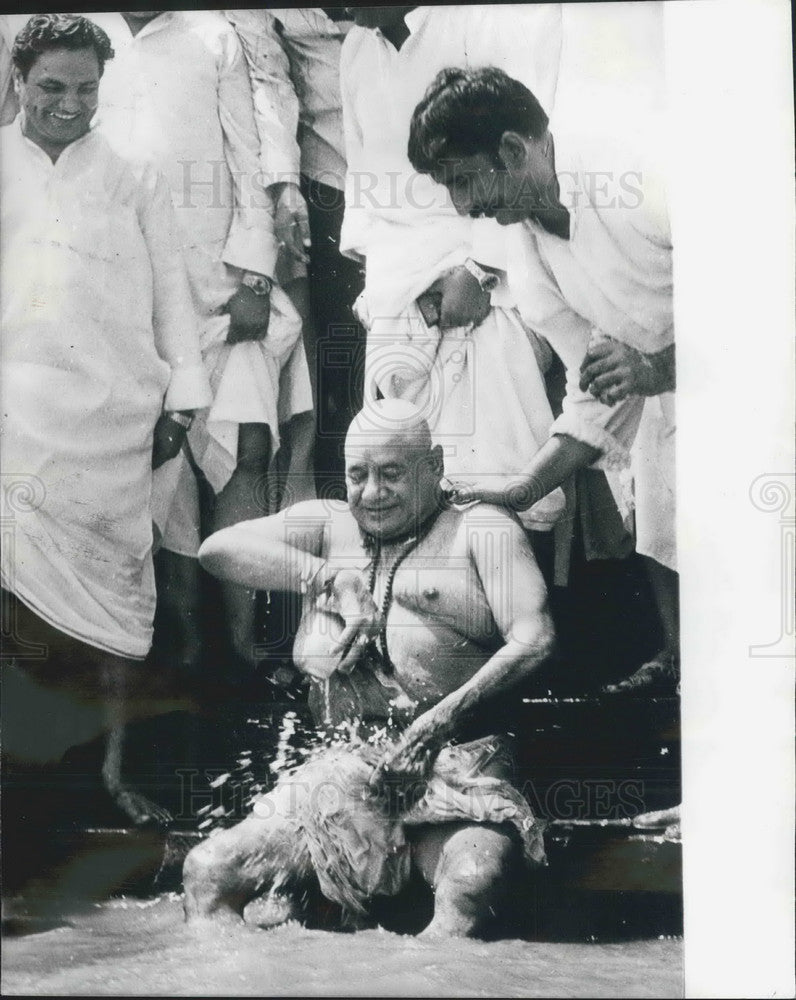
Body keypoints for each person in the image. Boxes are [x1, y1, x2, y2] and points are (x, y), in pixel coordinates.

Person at [182, 399, 554, 938]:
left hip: (458, 765)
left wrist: (435, 726)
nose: (372, 493)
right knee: (208, 871)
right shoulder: (329, 524)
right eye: (358, 475)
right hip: (346, 771)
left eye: (391, 474)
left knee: (473, 881)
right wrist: (326, 578)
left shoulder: (482, 529)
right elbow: (217, 549)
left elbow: (536, 638)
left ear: (435, 466)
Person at [0, 14, 212, 824]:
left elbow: (172, 299)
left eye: (86, 89)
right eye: (51, 87)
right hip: (14, 417)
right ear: (19, 78)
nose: (68, 104)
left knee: (120, 598)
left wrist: (183, 404)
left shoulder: (134, 177)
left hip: (117, 418)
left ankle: (114, 777)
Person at [407, 66, 678, 692]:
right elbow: (596, 399)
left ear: (511, 148)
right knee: (657, 480)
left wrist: (657, 369)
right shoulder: (529, 264)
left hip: (759, 386)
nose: (465, 207)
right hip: (673, 397)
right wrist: (520, 490)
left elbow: (758, 294)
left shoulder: (632, 177)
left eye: (465, 180)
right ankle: (677, 663)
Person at [86, 11, 315, 672]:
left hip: (221, 282)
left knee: (244, 445)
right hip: (130, 288)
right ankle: (183, 638)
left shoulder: (211, 35)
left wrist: (256, 276)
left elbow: (249, 160)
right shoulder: (82, 35)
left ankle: (243, 637)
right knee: (162, 457)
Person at [337, 6, 566, 540]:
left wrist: (480, 266)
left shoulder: (477, 24)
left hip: (483, 266)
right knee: (403, 477)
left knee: (491, 473)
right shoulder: (354, 52)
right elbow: (362, 184)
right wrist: (389, 293)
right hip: (399, 290)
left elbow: (519, 153)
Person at [225, 9, 364, 488]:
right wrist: (285, 184)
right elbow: (268, 74)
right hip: (325, 170)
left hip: (414, 163)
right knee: (338, 359)